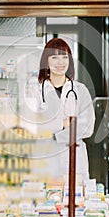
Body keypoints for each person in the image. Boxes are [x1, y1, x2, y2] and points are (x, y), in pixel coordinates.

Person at [28, 37, 95, 183]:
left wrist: (52, 130)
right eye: (54, 57)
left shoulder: (80, 90)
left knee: (75, 201)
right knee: (46, 202)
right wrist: (63, 124)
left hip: (74, 158)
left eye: (65, 57)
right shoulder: (35, 92)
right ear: (46, 61)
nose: (60, 62)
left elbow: (88, 128)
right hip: (46, 159)